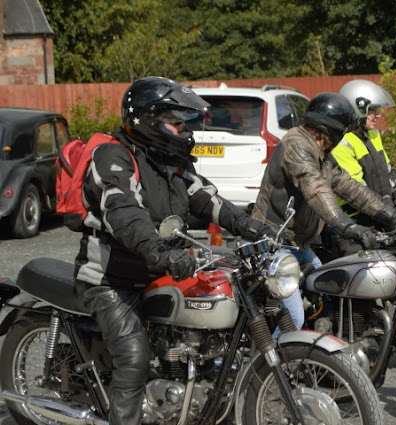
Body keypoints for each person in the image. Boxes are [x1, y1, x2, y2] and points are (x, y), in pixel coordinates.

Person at [73, 76, 275, 425]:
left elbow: (208, 200)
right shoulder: (112, 157)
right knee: (134, 357)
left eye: (185, 121)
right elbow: (124, 212)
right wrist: (159, 251)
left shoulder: (171, 161)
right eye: (176, 121)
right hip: (111, 278)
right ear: (148, 120)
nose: (184, 129)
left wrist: (252, 226)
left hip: (161, 269)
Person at [251, 92, 396, 331]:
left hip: (300, 246)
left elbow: (349, 186)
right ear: (333, 131)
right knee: (294, 319)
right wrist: (348, 226)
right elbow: (316, 190)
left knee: (332, 296)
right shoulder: (297, 145)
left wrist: (390, 215)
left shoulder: (322, 155)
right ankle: (274, 355)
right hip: (274, 244)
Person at [326, 79, 396, 256]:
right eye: (372, 110)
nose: (378, 115)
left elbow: (388, 171)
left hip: (380, 216)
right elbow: (358, 190)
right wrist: (391, 214)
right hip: (354, 223)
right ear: (356, 109)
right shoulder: (342, 142)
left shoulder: (372, 134)